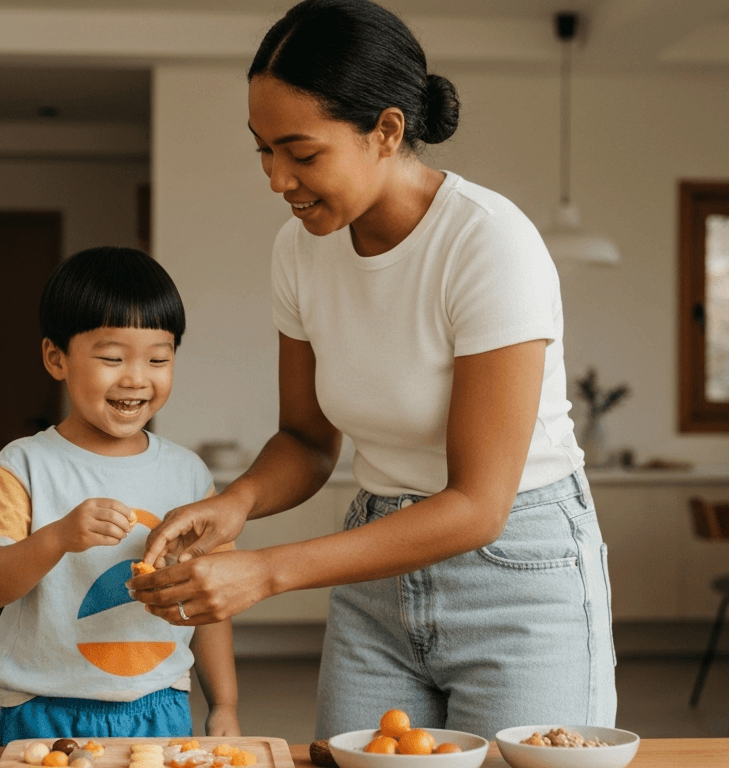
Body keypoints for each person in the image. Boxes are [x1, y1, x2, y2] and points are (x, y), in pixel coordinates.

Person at [128, 0, 616, 740]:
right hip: (377, 562)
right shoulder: (299, 252)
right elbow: (304, 438)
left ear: (386, 131)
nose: (277, 180)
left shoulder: (488, 244)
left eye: (302, 151)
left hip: (519, 567)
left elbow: (479, 505)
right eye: (264, 150)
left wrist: (264, 572)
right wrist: (236, 506)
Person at [0, 246, 240, 746]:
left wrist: (224, 705)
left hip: (161, 705)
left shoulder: (189, 474)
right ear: (56, 358)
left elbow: (209, 602)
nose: (135, 378)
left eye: (159, 358)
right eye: (112, 358)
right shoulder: (23, 465)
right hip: (44, 709)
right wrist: (58, 537)